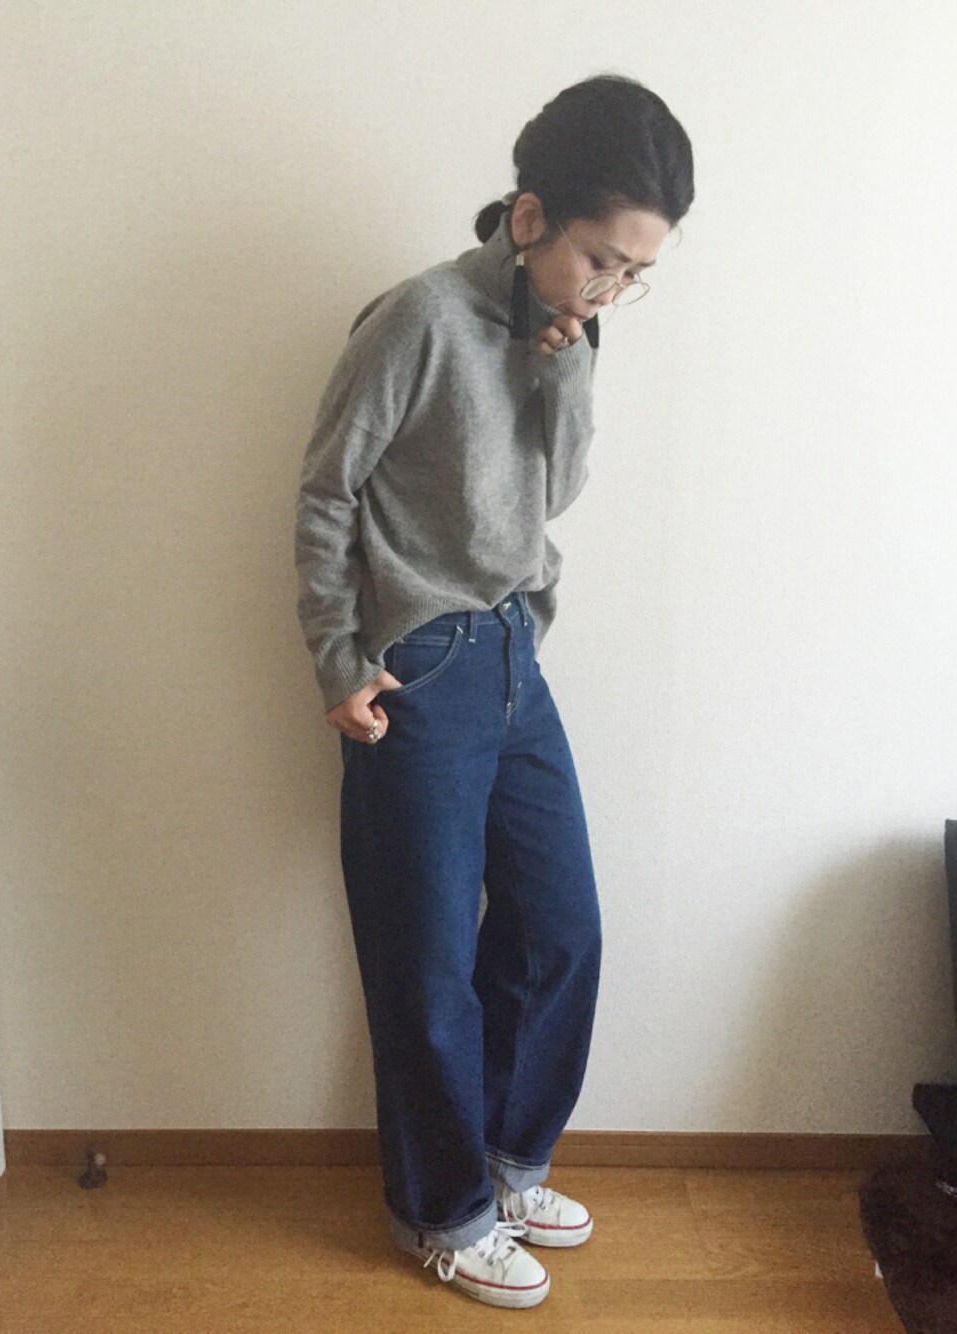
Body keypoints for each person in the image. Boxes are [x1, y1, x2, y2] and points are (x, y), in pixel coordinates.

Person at [293, 72, 694, 1310]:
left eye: (635, 273)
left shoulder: (569, 331)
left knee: (559, 926)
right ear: (528, 218)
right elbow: (326, 492)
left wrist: (565, 363)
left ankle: (508, 1164)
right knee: (425, 961)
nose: (610, 288)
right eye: (600, 259)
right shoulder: (416, 318)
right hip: (419, 663)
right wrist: (336, 658)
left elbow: (552, 492)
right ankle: (442, 1210)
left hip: (518, 652)